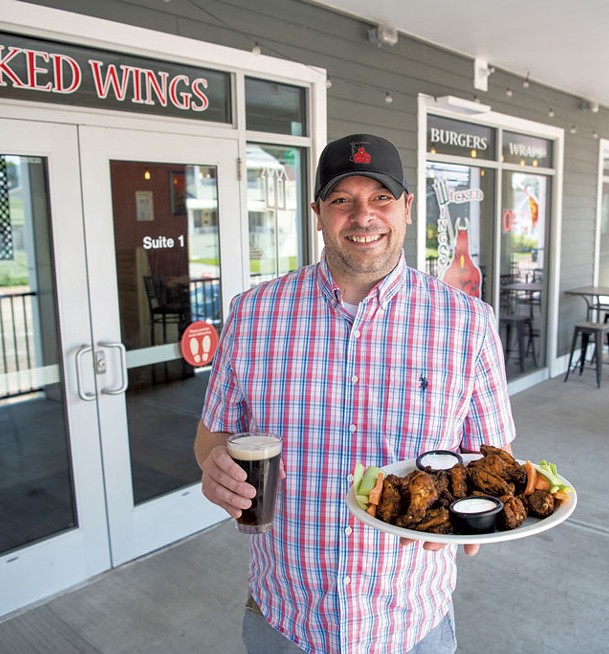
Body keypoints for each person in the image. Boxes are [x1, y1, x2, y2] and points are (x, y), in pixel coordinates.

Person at [195, 133, 515, 653]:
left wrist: (473, 524)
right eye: (343, 199)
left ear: (407, 208)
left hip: (412, 621)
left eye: (381, 198)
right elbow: (211, 437)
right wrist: (214, 469)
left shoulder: (467, 324)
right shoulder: (253, 314)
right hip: (284, 617)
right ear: (319, 211)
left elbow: (493, 465)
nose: (363, 216)